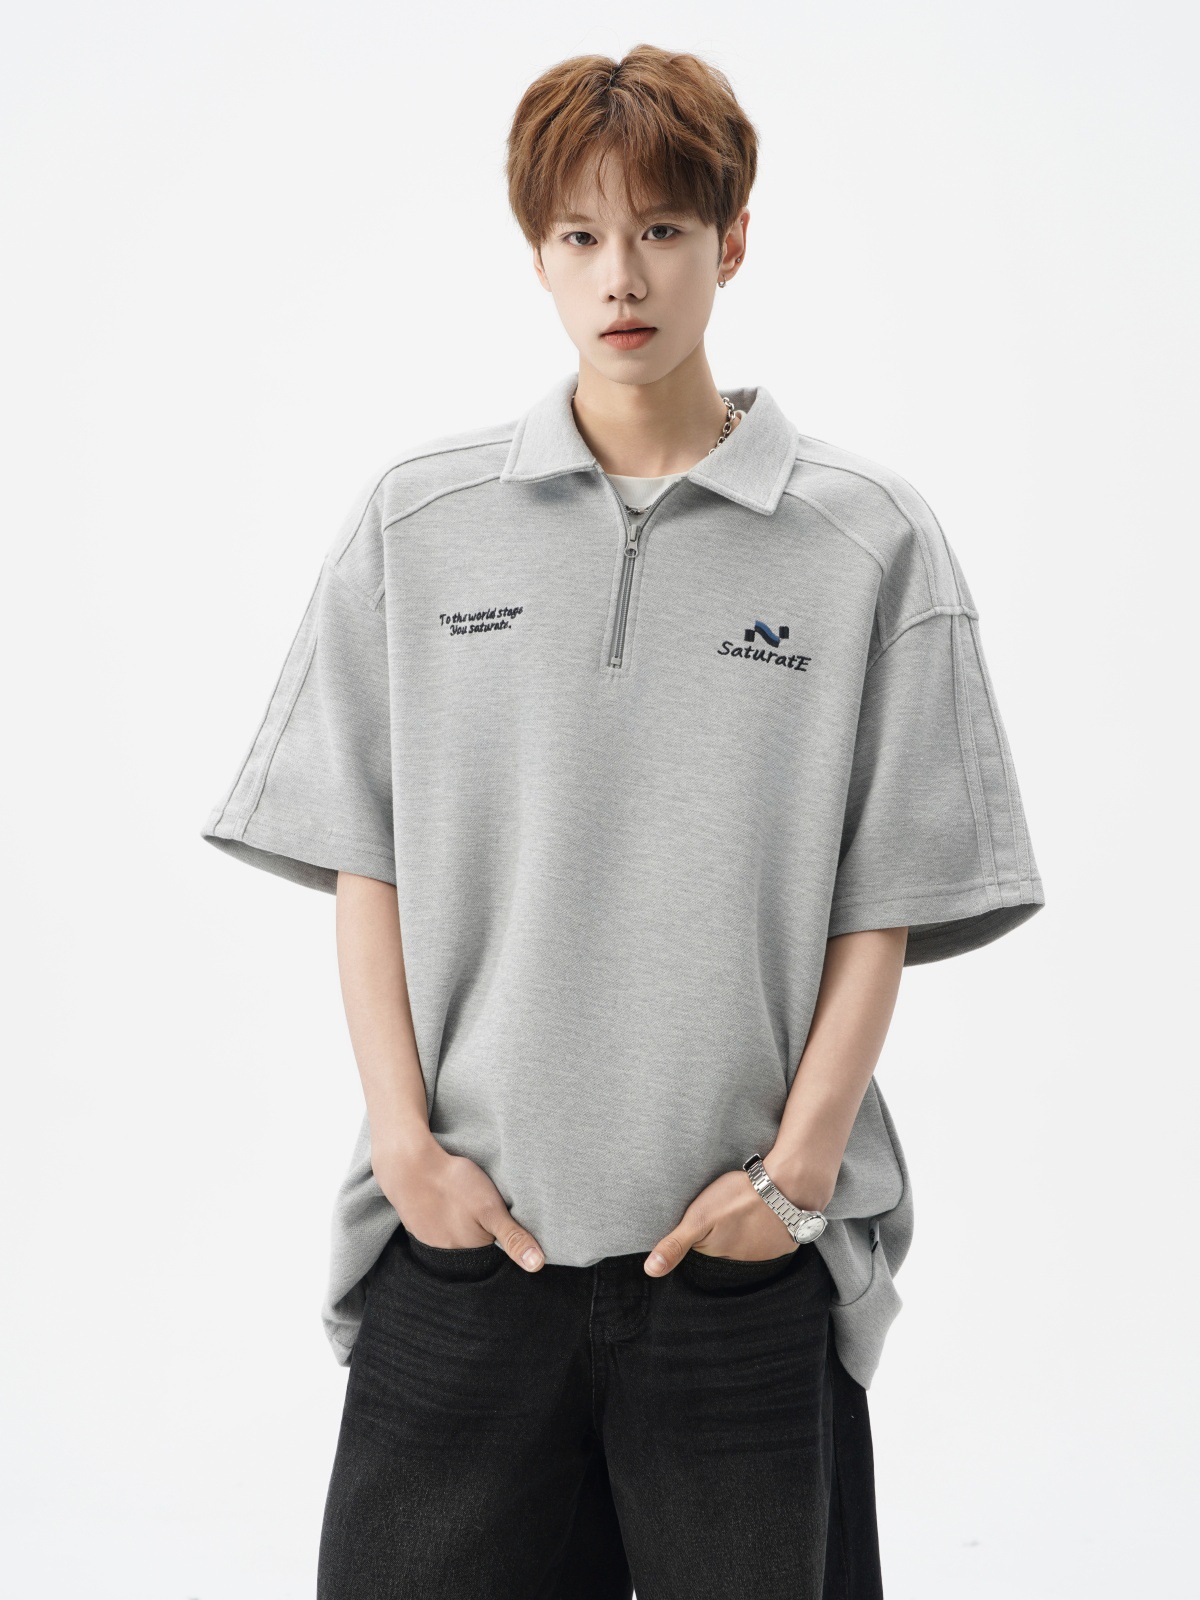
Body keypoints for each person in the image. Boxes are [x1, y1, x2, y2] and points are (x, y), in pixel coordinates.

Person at [201, 44, 1046, 1600]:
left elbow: (887, 898)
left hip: (739, 1269)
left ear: (734, 239)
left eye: (662, 229)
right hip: (467, 1248)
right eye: (581, 234)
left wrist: (792, 1184)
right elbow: (363, 854)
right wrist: (407, 1149)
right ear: (535, 251)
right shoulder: (419, 522)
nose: (622, 276)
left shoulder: (867, 543)